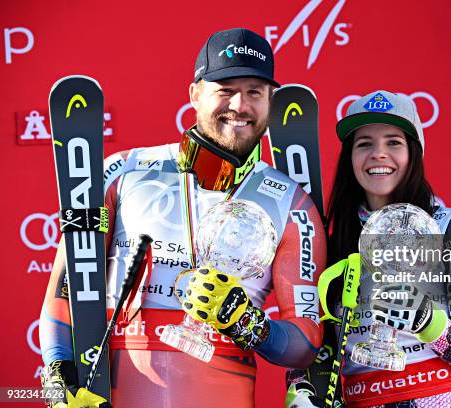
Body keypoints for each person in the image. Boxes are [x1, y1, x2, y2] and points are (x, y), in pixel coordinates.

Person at [39, 28, 326, 408]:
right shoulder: (120, 172)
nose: (240, 105)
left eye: (254, 92)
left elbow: (304, 342)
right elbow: (66, 290)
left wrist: (249, 326)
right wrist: (59, 378)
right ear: (194, 93)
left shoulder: (293, 205)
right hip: (117, 386)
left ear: (270, 101)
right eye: (224, 88)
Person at [287, 91, 451, 407]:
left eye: (393, 142)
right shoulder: (334, 243)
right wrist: (302, 389)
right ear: (350, 158)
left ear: (414, 153)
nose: (378, 154)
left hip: (437, 399)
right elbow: (319, 344)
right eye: (364, 144)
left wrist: (427, 319)